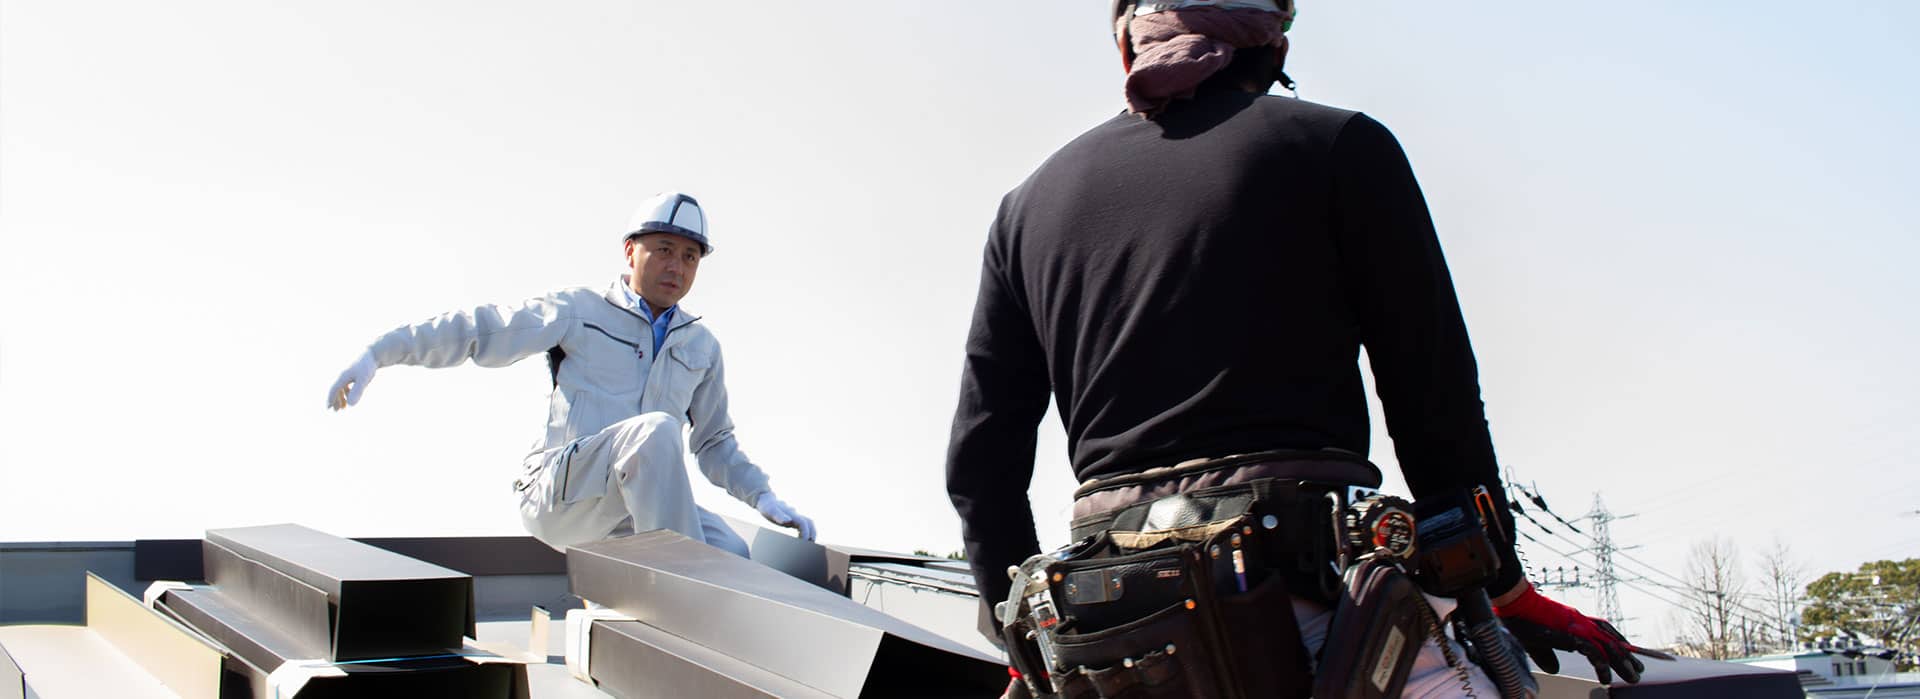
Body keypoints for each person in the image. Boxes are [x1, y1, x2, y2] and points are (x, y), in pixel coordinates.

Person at [946, 0, 1643, 694]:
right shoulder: (1340, 147)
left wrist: (1027, 646)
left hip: (1113, 645)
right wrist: (1504, 586)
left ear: (1128, 50)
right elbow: (1433, 399)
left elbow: (980, 467)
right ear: (1275, 49)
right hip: (1307, 610)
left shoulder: (1026, 208)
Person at [327, 191, 815, 556]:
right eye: (664, 249)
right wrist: (378, 354)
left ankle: (636, 609)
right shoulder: (579, 311)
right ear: (631, 251)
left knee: (733, 555)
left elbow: (714, 444)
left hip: (629, 511)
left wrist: (765, 498)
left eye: (690, 256)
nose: (677, 266)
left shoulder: (701, 346)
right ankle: (679, 596)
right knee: (656, 432)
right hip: (560, 494)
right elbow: (482, 330)